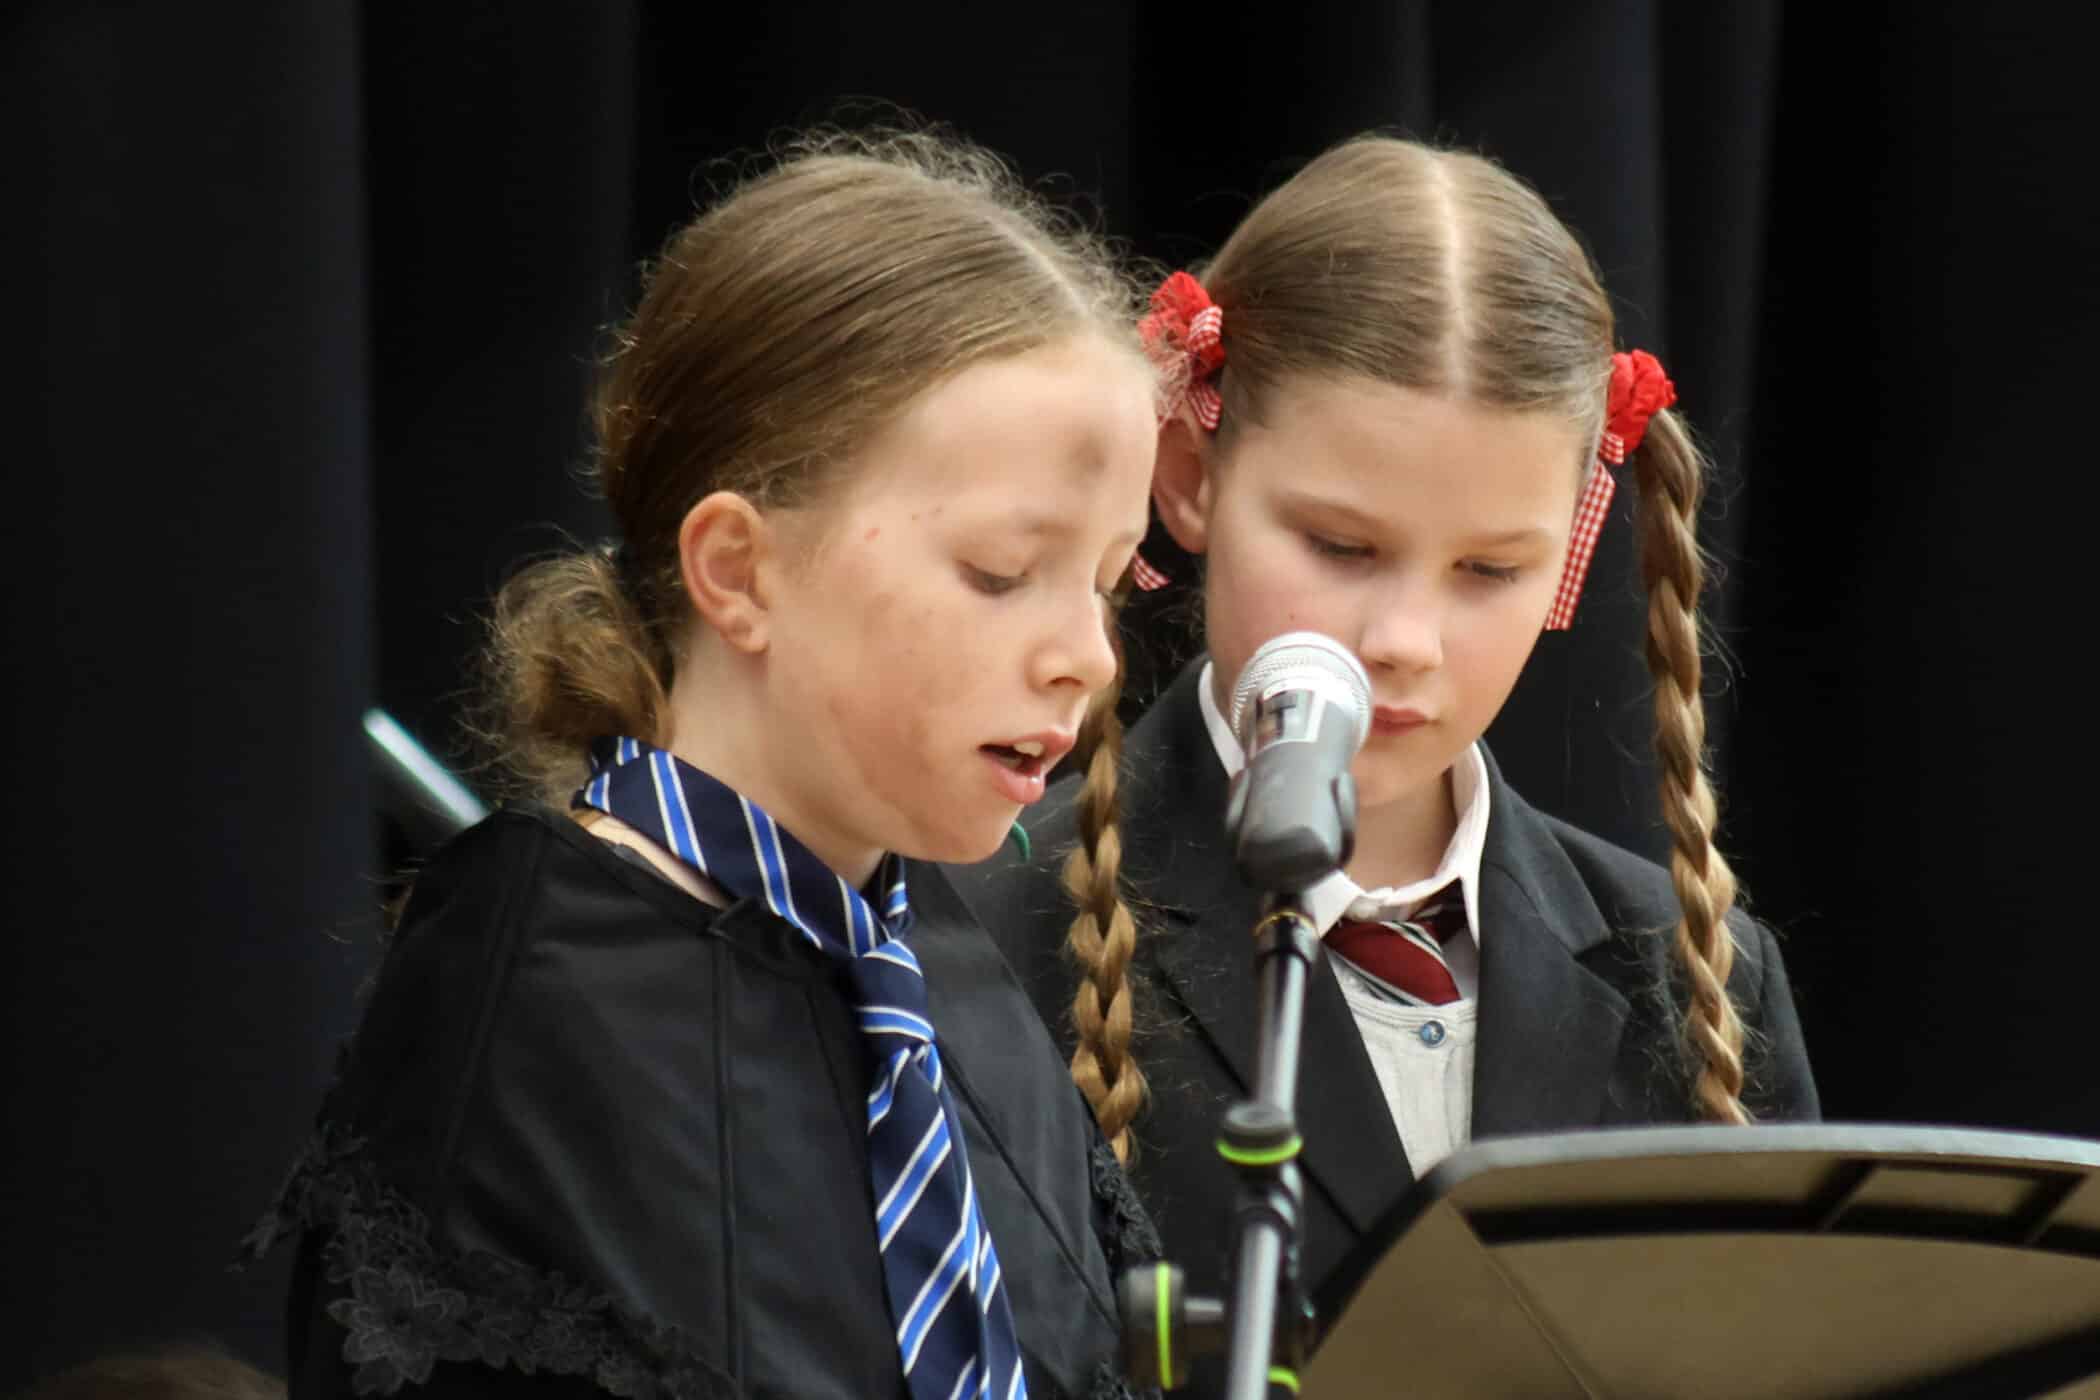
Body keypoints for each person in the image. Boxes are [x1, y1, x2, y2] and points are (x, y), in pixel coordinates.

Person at [242, 130, 1165, 1398]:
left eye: (1112, 582)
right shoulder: (538, 994)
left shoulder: (953, 980)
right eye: (1004, 572)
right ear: (737, 568)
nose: (1090, 658)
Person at [950, 134, 1819, 1342]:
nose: (1404, 637)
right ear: (1190, 473)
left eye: (1488, 568)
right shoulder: (976, 931)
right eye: (1341, 547)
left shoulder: (1699, 971)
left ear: (1568, 550)